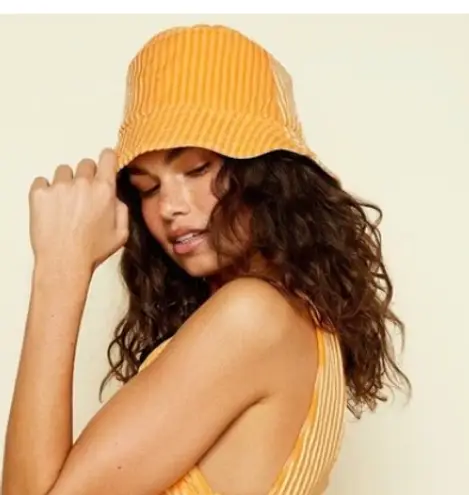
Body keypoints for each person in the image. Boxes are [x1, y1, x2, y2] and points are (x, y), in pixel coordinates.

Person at [2, 24, 410, 495]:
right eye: (147, 187)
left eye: (197, 169)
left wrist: (59, 267)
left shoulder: (253, 317)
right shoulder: (291, 320)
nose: (168, 207)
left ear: (266, 174)